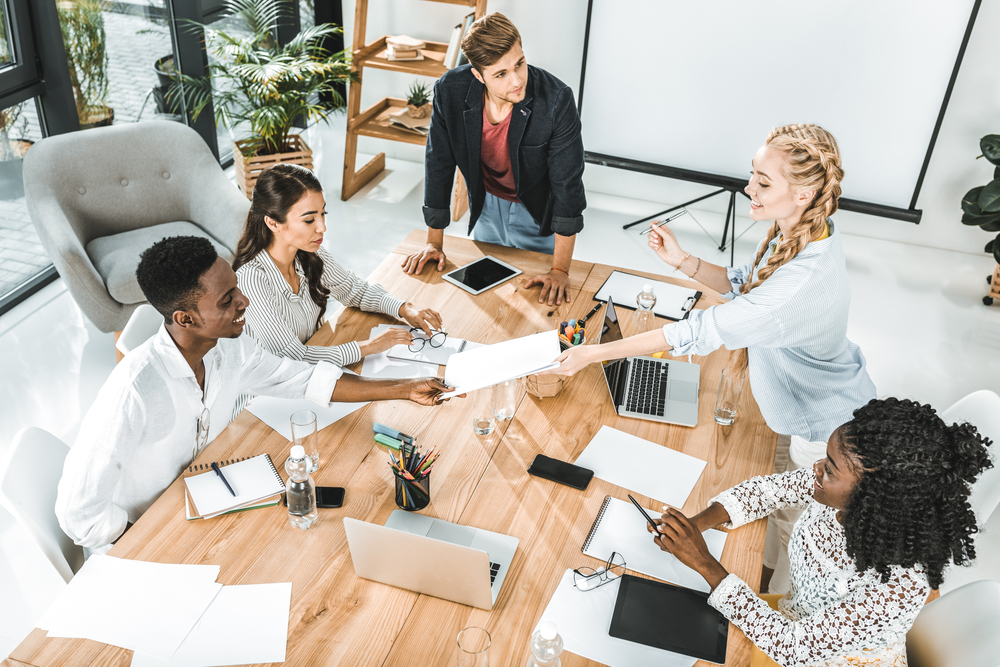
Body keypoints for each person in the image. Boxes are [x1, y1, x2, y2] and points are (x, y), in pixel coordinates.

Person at [547, 123, 876, 592]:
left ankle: (778, 598)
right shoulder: (810, 231)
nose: (749, 189)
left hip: (821, 427)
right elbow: (747, 285)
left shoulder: (802, 279)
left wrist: (592, 353)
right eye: (753, 175)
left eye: (764, 183)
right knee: (771, 504)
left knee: (790, 529)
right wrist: (684, 262)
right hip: (810, 403)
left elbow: (698, 331)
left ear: (803, 193)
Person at [56, 236, 456, 552]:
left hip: (214, 495)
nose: (244, 302)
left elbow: (303, 379)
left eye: (237, 288)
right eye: (227, 300)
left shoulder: (230, 346)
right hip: (153, 529)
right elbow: (78, 515)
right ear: (185, 319)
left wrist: (404, 389)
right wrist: (143, 541)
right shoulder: (133, 392)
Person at [647, 398, 992, 667]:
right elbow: (767, 492)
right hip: (790, 620)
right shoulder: (832, 490)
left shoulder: (899, 585)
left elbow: (793, 648)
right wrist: (695, 525)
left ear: (873, 496)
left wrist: (706, 563)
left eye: (829, 468)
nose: (815, 469)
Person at [400, 12, 586, 307]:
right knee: (490, 295)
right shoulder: (450, 90)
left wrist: (560, 270)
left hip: (536, 210)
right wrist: (434, 243)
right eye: (500, 74)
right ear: (478, 75)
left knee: (538, 301)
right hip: (486, 204)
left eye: (519, 64)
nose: (516, 80)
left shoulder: (557, 100)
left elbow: (568, 185)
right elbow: (439, 162)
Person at [234, 163, 442, 383]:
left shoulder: (308, 253)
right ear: (273, 222)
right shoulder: (252, 280)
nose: (322, 227)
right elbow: (292, 358)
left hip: (315, 372)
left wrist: (404, 308)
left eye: (323, 213)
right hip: (266, 395)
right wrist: (369, 347)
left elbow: (354, 290)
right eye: (309, 220)